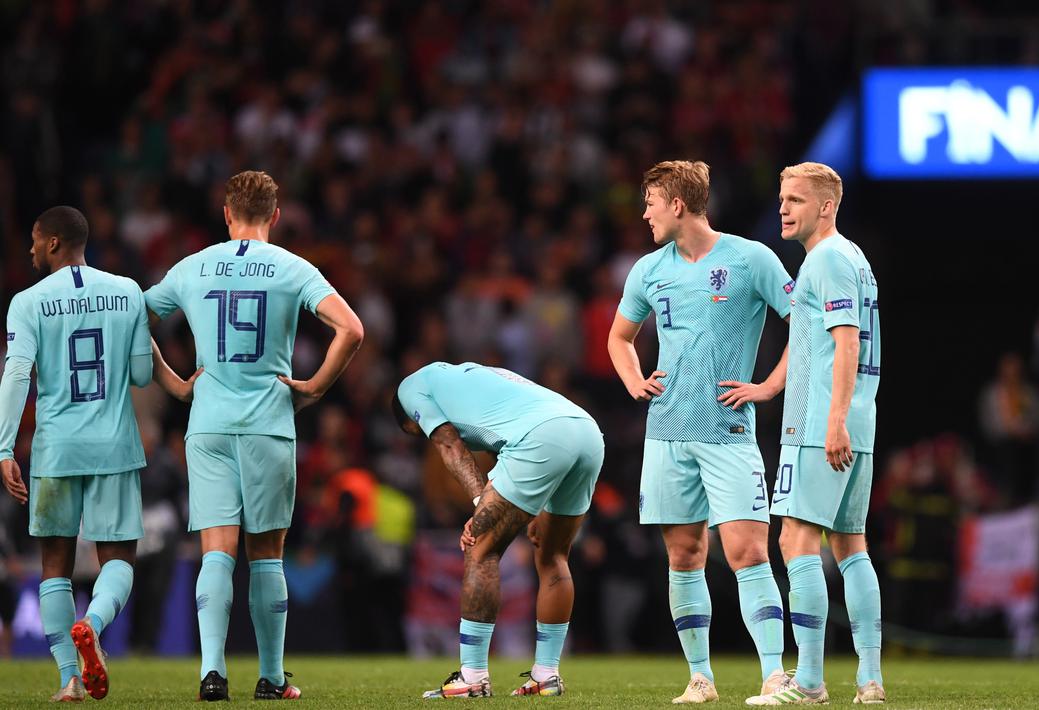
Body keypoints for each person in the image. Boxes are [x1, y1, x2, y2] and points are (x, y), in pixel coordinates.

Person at [144, 171, 364, 701]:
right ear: (276, 215)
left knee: (216, 552)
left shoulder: (192, 266)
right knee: (266, 554)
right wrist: (313, 386)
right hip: (268, 425)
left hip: (209, 425)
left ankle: (212, 674)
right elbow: (352, 329)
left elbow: (134, 320)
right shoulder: (294, 268)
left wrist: (174, 384)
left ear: (226, 213)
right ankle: (270, 677)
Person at [607, 160, 794, 703]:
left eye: (650, 201)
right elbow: (619, 339)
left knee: (747, 552)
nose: (644, 212)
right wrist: (635, 382)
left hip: (728, 431)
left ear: (678, 205)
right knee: (683, 556)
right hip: (667, 432)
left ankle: (774, 675)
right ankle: (700, 678)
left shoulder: (750, 258)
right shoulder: (647, 270)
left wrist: (768, 386)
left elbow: (804, 321)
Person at [0, 206, 158, 701]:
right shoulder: (128, 291)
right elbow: (140, 376)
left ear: (52, 243)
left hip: (56, 448)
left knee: (55, 565)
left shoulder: (26, 303)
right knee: (119, 561)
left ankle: (69, 679)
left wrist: (4, 446)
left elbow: (17, 375)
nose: (29, 249)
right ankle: (92, 623)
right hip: (114, 444)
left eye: (33, 239)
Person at [746, 163, 885, 705]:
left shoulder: (825, 259)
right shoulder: (853, 258)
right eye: (782, 198)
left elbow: (846, 342)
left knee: (795, 540)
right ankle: (870, 680)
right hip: (859, 421)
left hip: (822, 426)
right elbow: (813, 341)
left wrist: (831, 420)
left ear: (826, 206)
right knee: (852, 547)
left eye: (796, 200)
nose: (784, 208)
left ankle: (807, 683)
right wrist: (768, 388)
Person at [392, 361, 604, 699]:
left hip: (541, 437)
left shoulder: (410, 389)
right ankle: (546, 676)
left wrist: (479, 508)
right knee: (552, 556)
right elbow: (499, 444)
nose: (426, 437)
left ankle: (472, 678)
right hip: (586, 432)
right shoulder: (473, 378)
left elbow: (450, 445)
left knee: (481, 548)